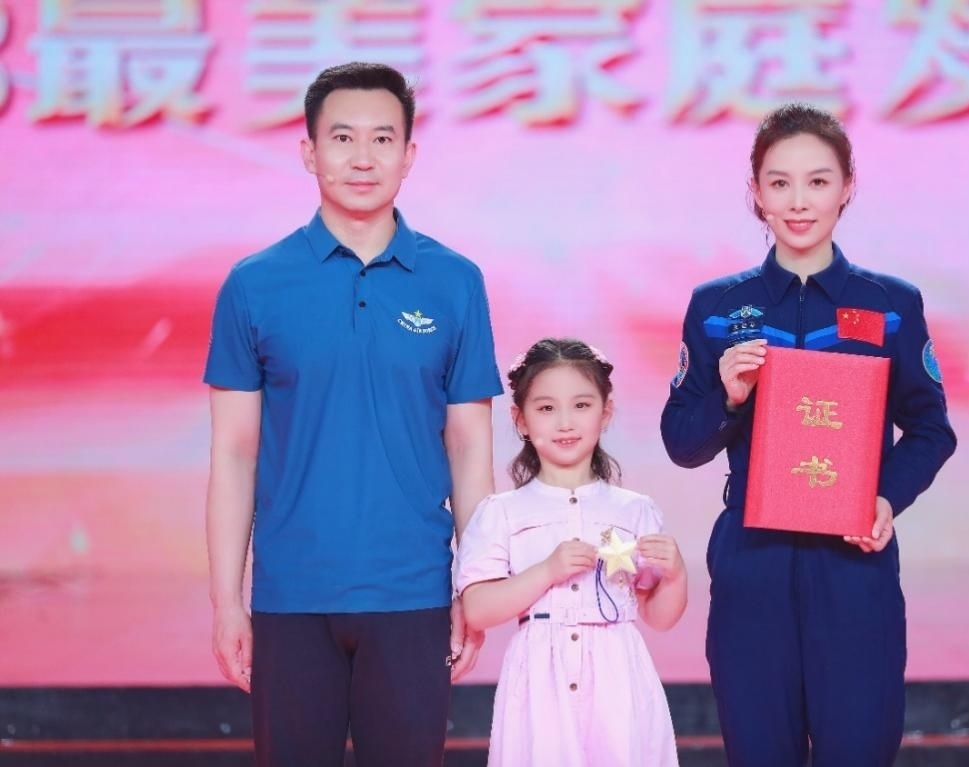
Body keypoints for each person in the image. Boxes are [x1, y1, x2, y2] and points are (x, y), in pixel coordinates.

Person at [203, 61, 502, 767]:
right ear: (309, 151)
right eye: (342, 138)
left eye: (381, 138)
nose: (362, 158)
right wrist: (226, 601)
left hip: (413, 592)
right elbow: (234, 454)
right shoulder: (254, 285)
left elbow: (469, 447)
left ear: (409, 154)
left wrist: (476, 585)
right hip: (290, 595)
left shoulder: (455, 282)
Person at [661, 104, 957, 767]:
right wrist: (728, 397)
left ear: (847, 186)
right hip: (751, 560)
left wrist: (883, 498)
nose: (798, 202)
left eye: (818, 181)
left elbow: (930, 428)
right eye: (780, 182)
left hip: (853, 563)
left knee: (859, 747)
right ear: (756, 191)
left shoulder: (890, 304)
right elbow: (681, 442)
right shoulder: (716, 307)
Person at [456, 338, 688, 767]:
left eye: (581, 405)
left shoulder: (635, 509)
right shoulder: (502, 512)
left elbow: (658, 616)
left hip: (618, 678)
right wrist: (546, 571)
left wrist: (675, 576)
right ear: (520, 419)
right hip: (539, 680)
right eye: (546, 408)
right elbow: (478, 609)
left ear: (606, 412)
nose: (565, 422)